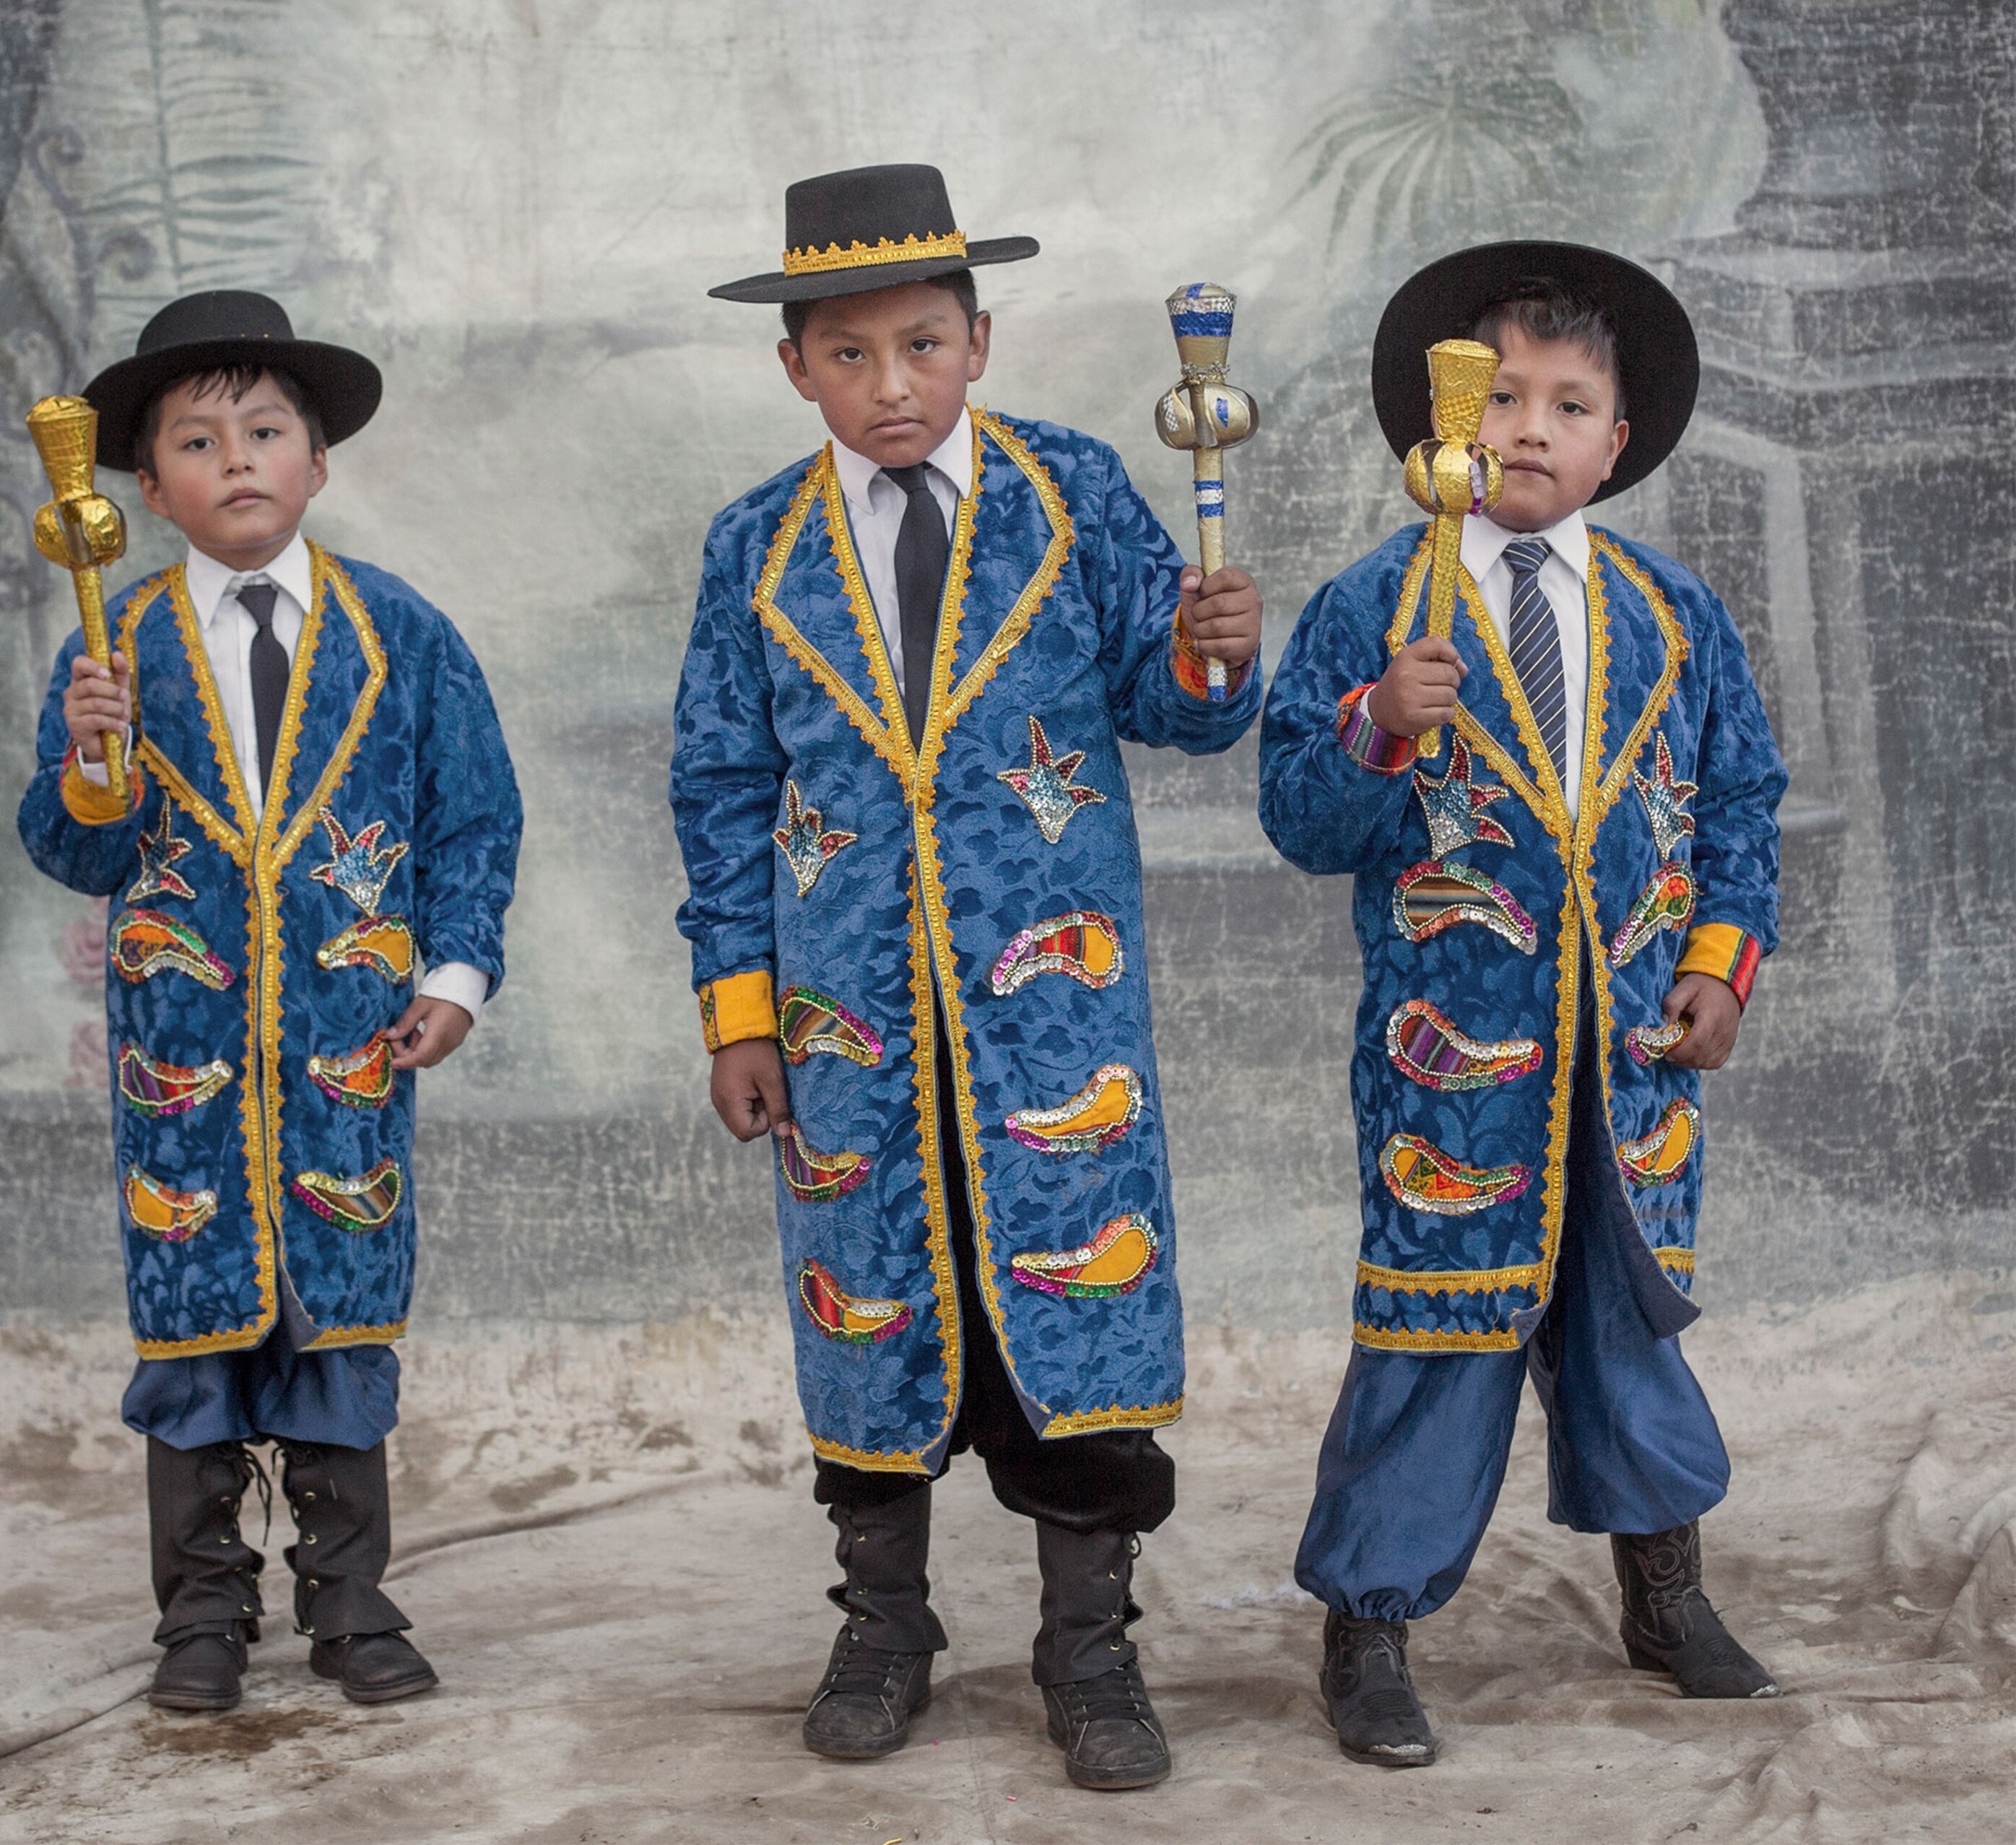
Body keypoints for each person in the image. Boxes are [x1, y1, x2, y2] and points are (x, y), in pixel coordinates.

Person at [671, 165, 1264, 1790]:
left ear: (980, 342)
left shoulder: (1070, 492)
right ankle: (885, 1621)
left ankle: (1089, 1648)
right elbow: (721, 789)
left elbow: (1183, 707)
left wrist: (1217, 640)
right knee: (870, 1300)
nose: (891, 387)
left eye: (922, 346)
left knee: (1070, 1301)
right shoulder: (755, 548)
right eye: (849, 357)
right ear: (794, 367)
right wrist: (739, 1008)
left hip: (1046, 1011)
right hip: (847, 1011)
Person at [1259, 243, 1785, 1767]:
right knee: (1436, 1332)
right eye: (1502, 399)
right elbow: (1298, 816)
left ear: (1618, 440)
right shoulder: (1379, 606)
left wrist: (1718, 962)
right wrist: (1373, 728)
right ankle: (1369, 1627)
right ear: (1444, 421)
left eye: (1570, 404)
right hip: (1455, 1068)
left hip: (1629, 1061)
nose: (1531, 429)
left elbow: (1741, 800)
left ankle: (1665, 1597)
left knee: (1630, 1323)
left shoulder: (1674, 615)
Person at [17, 291, 521, 1713]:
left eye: (264, 429)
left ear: (317, 460)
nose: (235, 458)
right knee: (194, 1324)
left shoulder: (400, 638)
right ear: (139, 485)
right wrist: (85, 760)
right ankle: (200, 1615)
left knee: (340, 1315)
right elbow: (78, 855)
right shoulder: (112, 651)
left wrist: (455, 975)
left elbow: (473, 822)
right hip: (181, 1067)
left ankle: (352, 1602)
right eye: (195, 438)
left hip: (348, 1055)